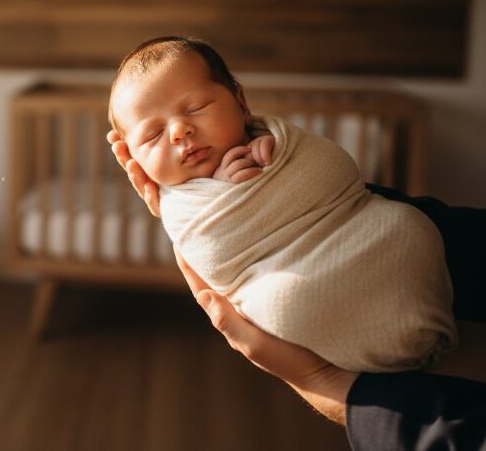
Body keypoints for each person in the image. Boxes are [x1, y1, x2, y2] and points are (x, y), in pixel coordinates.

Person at [106, 40, 486, 449]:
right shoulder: (180, 204)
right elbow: (209, 246)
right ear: (134, 158)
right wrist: (225, 193)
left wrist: (275, 165)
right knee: (284, 301)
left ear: (241, 102)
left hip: (372, 242)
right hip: (293, 283)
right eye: (153, 134)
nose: (180, 130)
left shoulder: (275, 141)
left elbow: (334, 178)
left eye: (197, 107)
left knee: (409, 225)